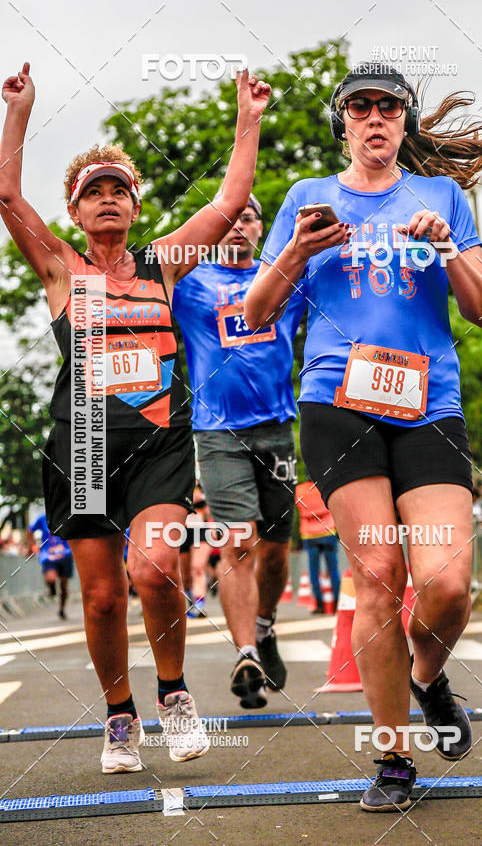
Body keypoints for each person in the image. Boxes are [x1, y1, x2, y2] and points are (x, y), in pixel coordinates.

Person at [245, 61, 482, 810]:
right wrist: (299, 251)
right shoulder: (308, 198)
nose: (374, 118)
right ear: (344, 123)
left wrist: (447, 251)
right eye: (360, 107)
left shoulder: (442, 197)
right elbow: (258, 313)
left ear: (404, 122)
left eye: (388, 108)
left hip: (429, 404)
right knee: (377, 576)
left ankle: (427, 681)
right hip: (339, 402)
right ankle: (393, 761)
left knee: (448, 585)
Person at [0, 61, 270, 772]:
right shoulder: (62, 270)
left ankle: (174, 695)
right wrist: (20, 112)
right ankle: (120, 716)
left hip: (159, 442)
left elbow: (228, 200)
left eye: (121, 190)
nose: (110, 200)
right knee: (99, 599)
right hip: (83, 445)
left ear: (136, 208)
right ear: (77, 213)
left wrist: (249, 120)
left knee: (154, 571)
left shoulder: (162, 265)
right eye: (96, 193)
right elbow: (4, 193)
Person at [172, 190, 305, 709]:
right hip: (217, 432)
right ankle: (245, 651)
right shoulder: (190, 284)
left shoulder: (283, 277)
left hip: (277, 428)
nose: (236, 226)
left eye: (247, 217)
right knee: (240, 543)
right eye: (226, 218)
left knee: (274, 550)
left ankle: (266, 627)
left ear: (259, 228)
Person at [295, 479, 340, 613]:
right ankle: (337, 603)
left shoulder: (299, 490)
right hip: (328, 531)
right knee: (333, 569)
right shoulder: (324, 485)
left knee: (314, 571)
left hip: (310, 535)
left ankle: (320, 605)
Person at [29, 512, 73, 618]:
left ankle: (62, 609)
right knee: (50, 578)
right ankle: (52, 588)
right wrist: (30, 546)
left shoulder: (68, 514)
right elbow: (30, 530)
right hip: (48, 554)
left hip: (65, 553)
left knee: (64, 585)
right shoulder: (42, 518)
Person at [180, 485, 212, 617]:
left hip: (201, 529)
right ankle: (189, 602)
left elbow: (211, 509)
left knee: (198, 567)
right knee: (184, 575)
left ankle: (199, 606)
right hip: (180, 529)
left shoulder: (204, 482)